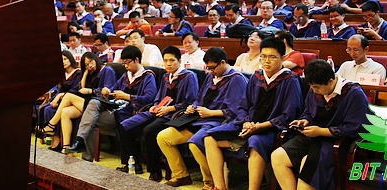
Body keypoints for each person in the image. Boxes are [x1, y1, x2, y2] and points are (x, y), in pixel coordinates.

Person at [203, 37, 303, 190]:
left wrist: (259, 127)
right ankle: (220, 187)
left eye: (272, 57)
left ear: (282, 58)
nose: (267, 61)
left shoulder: (290, 80)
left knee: (255, 142)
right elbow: (242, 105)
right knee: (209, 138)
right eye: (263, 56)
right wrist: (245, 122)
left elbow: (289, 114)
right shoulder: (257, 77)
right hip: (247, 125)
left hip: (271, 130)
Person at [157, 48, 247, 188]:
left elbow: (237, 111)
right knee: (163, 137)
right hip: (198, 119)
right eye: (208, 68)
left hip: (217, 122)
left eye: (213, 68)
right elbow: (199, 99)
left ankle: (210, 182)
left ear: (222, 62)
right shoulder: (210, 77)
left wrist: (211, 113)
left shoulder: (237, 79)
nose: (210, 71)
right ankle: (181, 176)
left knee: (195, 144)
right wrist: (192, 107)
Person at [271, 60, 369, 190]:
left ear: (330, 81)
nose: (313, 90)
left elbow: (355, 128)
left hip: (337, 142)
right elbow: (308, 112)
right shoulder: (314, 89)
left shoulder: (353, 93)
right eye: (311, 86)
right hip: (313, 136)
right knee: (277, 156)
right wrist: (304, 120)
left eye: (316, 87)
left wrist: (321, 131)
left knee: (308, 163)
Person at [116, 46, 199, 182]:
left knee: (149, 130)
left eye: (172, 60)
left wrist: (169, 109)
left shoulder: (189, 77)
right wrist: (154, 106)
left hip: (174, 115)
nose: (168, 64)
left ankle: (155, 171)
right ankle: (133, 163)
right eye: (165, 61)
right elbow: (158, 97)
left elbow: (190, 101)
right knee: (125, 126)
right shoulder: (166, 76)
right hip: (158, 112)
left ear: (179, 61)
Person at [65, 46, 158, 162]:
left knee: (90, 120)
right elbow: (113, 89)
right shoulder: (126, 75)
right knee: (92, 106)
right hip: (115, 108)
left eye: (128, 62)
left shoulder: (148, 76)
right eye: (124, 63)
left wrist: (126, 96)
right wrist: (108, 91)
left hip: (129, 113)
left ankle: (83, 150)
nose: (125, 66)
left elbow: (149, 98)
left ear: (137, 60)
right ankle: (82, 147)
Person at [40, 52, 116, 153]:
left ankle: (51, 125)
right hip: (87, 102)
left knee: (68, 96)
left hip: (100, 104)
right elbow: (81, 89)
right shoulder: (91, 73)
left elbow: (108, 93)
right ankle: (66, 147)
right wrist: (85, 73)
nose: (90, 66)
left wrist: (91, 91)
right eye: (86, 65)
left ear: (96, 59)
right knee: (65, 112)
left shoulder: (107, 70)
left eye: (91, 62)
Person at [38, 51, 82, 148]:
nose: (63, 62)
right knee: (45, 109)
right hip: (61, 100)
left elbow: (76, 90)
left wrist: (60, 96)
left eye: (65, 59)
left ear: (71, 59)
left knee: (51, 110)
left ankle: (58, 139)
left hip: (73, 100)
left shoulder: (78, 73)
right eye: (61, 60)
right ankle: (55, 136)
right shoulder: (62, 74)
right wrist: (55, 100)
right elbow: (59, 90)